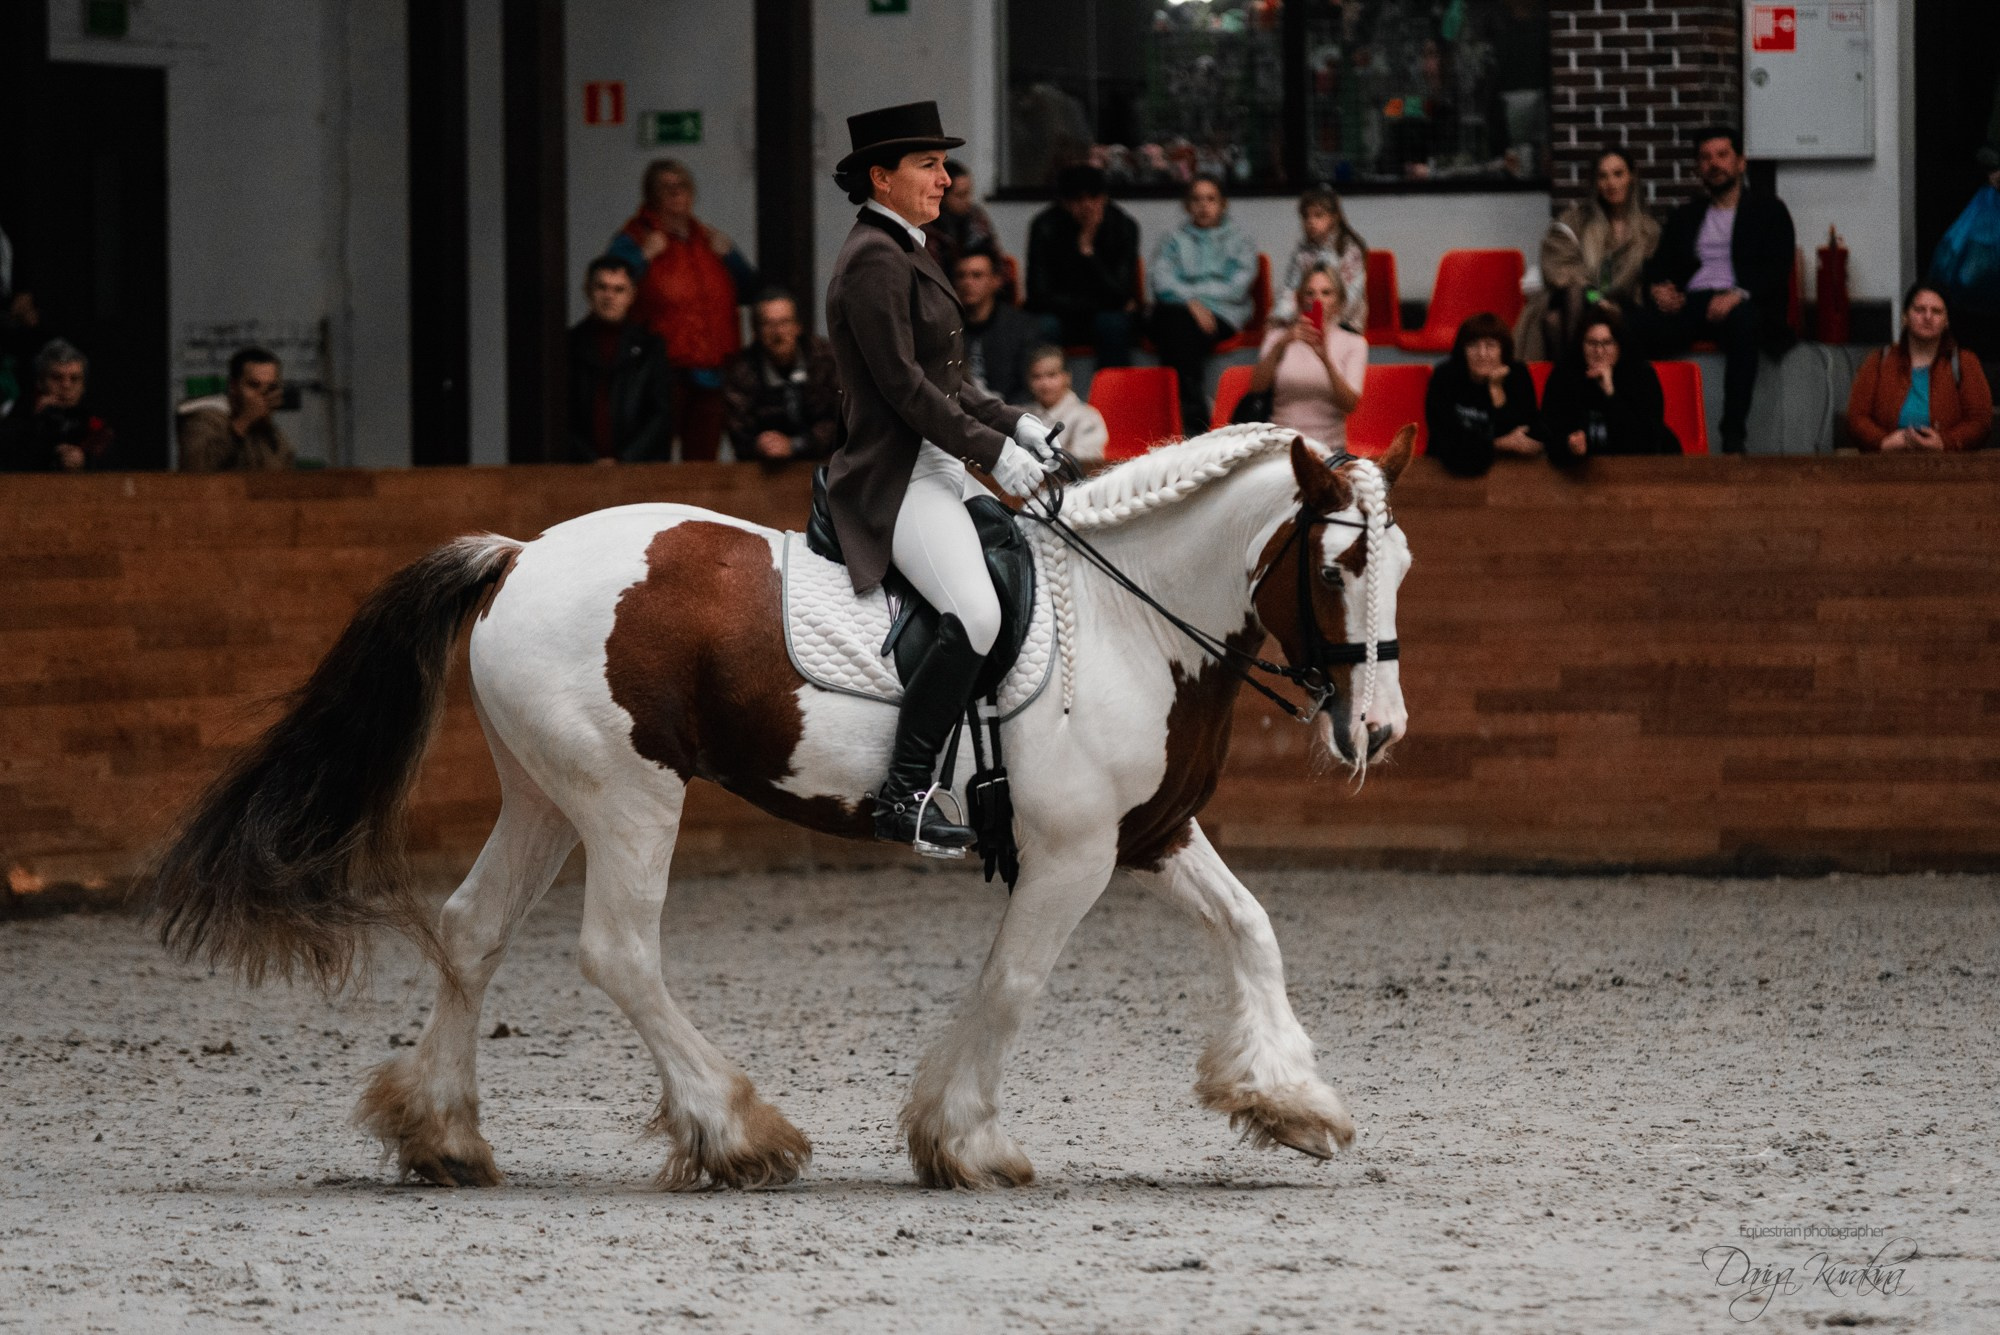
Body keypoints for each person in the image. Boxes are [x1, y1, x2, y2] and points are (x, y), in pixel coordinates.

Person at [823, 101, 1057, 855]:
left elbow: (948, 380)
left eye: (943, 164)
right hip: (898, 477)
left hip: (942, 460)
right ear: (881, 177)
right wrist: (993, 452)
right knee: (978, 616)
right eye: (928, 165)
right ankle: (906, 792)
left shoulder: (908, 246)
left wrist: (1017, 423)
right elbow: (903, 388)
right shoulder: (874, 258)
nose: (945, 178)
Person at [1632, 127, 1796, 454]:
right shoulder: (1687, 215)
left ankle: (1733, 436)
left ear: (1741, 162)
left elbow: (1777, 267)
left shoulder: (1769, 210)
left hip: (1741, 304)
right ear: (1698, 167)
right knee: (1632, 326)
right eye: (1706, 158)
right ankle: (1640, 432)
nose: (1714, 164)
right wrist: (1659, 289)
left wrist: (1739, 293)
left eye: (1722, 155)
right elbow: (1658, 264)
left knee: (1744, 322)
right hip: (1691, 303)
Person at [609, 159, 759, 461]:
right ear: (651, 195)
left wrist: (731, 256)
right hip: (661, 372)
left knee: (703, 462)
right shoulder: (636, 239)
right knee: (651, 458)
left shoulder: (708, 240)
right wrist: (641, 257)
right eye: (666, 187)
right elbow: (609, 289)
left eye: (683, 186)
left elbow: (752, 291)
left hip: (712, 369)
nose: (676, 193)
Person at [1516, 147, 1660, 361]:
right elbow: (1560, 271)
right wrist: (1595, 298)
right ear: (1595, 183)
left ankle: (1575, 374)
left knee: (1556, 321)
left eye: (1618, 174)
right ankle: (1577, 373)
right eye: (1603, 176)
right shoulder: (1573, 222)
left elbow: (1646, 283)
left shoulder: (1649, 232)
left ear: (1631, 177)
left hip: (1624, 308)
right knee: (1562, 308)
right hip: (1575, 300)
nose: (1611, 183)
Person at [1148, 173, 1258, 431]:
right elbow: (1160, 279)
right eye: (1197, 199)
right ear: (1188, 205)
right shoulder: (1174, 239)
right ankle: (1193, 412)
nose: (1203, 206)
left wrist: (1194, 300)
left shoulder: (1240, 240)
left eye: (1211, 199)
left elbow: (1237, 287)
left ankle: (1185, 414)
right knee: (1176, 324)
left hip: (1224, 314)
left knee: (1171, 325)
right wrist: (1191, 303)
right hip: (1181, 311)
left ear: (1223, 204)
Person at [1844, 283, 1993, 452]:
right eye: (1920, 310)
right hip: (1887, 463)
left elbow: (1980, 421)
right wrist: (1883, 442)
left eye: (1936, 311)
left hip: (1949, 465)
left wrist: (1945, 443)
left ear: (1946, 321)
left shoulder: (1964, 362)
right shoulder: (1879, 361)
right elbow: (1856, 417)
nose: (1928, 317)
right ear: (1905, 317)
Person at [1024, 163, 1141, 368]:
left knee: (1113, 324)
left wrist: (1088, 252)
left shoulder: (1123, 226)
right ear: (1065, 202)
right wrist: (1097, 303)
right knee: (1044, 326)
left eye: (1093, 198)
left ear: (1104, 198)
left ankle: (1112, 388)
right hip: (1061, 314)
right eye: (1078, 199)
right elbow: (1038, 294)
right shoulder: (1045, 226)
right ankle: (1046, 387)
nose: (1087, 206)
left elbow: (1121, 292)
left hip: (1100, 314)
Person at [565, 256, 673, 464]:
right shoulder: (567, 346)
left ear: (631, 295)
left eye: (619, 289)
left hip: (638, 468)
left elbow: (660, 415)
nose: (609, 296)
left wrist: (625, 459)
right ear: (588, 291)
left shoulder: (650, 348)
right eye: (602, 287)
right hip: (578, 468)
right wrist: (589, 459)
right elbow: (559, 416)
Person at [1535, 307, 1680, 463]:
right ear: (1581, 344)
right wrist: (1569, 446)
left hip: (1635, 469)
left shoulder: (1641, 375)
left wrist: (1610, 392)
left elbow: (1647, 441)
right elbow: (1549, 434)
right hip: (1578, 471)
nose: (1599, 351)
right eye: (1592, 343)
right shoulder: (1564, 375)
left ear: (1619, 345)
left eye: (1607, 343)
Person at [1248, 264, 1368, 448]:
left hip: (1329, 447)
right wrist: (1282, 343)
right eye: (1310, 293)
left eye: (1326, 293)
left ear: (1339, 302)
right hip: (1281, 445)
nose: (1317, 299)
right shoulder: (1277, 337)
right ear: (1299, 299)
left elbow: (1349, 405)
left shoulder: (1354, 343)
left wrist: (1325, 360)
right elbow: (1257, 387)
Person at [724, 286, 840, 461]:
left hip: (826, 463)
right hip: (763, 468)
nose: (778, 333)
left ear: (798, 326)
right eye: (768, 324)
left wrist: (797, 444)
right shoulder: (741, 370)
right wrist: (759, 445)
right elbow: (739, 432)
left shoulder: (826, 359)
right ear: (756, 331)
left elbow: (841, 420)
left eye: (785, 322)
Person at [1425, 312, 1542, 476]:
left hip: (1510, 471)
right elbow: (1446, 439)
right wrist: (1498, 444)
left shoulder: (1517, 374)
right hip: (1449, 471)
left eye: (1490, 345)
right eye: (1473, 345)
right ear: (1462, 350)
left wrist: (1496, 390)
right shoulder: (1446, 376)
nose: (1482, 354)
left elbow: (1525, 433)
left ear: (1503, 350)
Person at [2, 338, 115, 472]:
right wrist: (35, 422)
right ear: (40, 382)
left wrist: (85, 460)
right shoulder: (20, 416)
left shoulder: (95, 423)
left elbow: (117, 465)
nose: (66, 385)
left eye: (74, 379)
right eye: (57, 378)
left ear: (83, 386)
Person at [178, 347, 292, 471]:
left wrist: (265, 426)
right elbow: (198, 468)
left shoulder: (269, 433)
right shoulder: (205, 419)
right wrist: (244, 421)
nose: (262, 395)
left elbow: (280, 471)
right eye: (254, 385)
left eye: (271, 388)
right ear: (234, 386)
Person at [1273, 186, 1368, 332]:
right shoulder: (1302, 253)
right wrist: (1282, 315)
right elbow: (1291, 289)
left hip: (1346, 322)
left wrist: (1326, 319)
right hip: (1308, 319)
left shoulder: (1349, 250)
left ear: (1333, 218)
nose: (1311, 221)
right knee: (1278, 334)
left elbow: (1352, 296)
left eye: (1318, 215)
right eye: (1306, 216)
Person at [954, 245, 1039, 404]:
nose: (967, 282)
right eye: (961, 276)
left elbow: (1029, 386)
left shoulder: (1021, 327)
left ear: (996, 280)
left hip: (1011, 411)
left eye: (977, 275)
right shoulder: (948, 325)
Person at [1022, 344, 1107, 466]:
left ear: (1067, 377)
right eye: (1037, 377)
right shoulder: (1021, 415)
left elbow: (1084, 464)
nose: (1045, 383)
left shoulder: (1088, 416)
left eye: (1052, 375)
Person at [923, 159, 1003, 278]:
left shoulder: (975, 217)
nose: (967, 201)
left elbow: (996, 260)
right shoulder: (927, 226)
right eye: (960, 195)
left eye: (969, 193)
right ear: (941, 196)